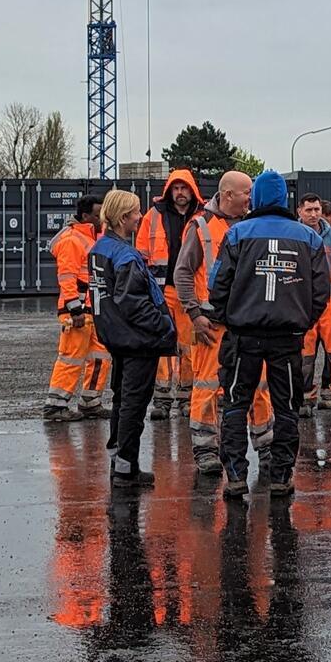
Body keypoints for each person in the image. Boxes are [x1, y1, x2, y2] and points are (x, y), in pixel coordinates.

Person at [208, 169, 330, 499]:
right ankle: (281, 477)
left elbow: (216, 284)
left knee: (235, 404)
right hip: (288, 337)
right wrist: (303, 320)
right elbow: (322, 291)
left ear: (258, 197)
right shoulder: (310, 238)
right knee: (287, 407)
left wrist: (229, 318)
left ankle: (235, 477)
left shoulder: (236, 234)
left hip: (243, 336)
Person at [174, 170, 272, 477]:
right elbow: (183, 272)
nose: (250, 199)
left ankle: (266, 443)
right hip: (213, 325)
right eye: (246, 193)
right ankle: (205, 449)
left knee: (258, 384)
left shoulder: (249, 225)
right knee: (208, 384)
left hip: (248, 322)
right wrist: (195, 314)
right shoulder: (201, 226)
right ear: (228, 195)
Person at [90, 190, 180, 489]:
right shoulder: (125, 255)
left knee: (121, 400)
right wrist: (165, 328)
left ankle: (121, 462)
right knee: (134, 404)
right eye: (135, 212)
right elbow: (134, 302)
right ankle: (126, 469)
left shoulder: (100, 249)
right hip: (138, 341)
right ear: (122, 217)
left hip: (116, 337)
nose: (140, 217)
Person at [136, 171, 203, 422]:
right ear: (168, 191)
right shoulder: (153, 216)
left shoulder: (202, 218)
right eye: (175, 188)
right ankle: (162, 399)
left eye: (184, 188)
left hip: (190, 292)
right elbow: (141, 255)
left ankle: (187, 397)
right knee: (163, 347)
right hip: (161, 292)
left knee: (189, 347)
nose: (180, 193)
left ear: (192, 190)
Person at [46, 194, 109, 421]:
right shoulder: (73, 240)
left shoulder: (92, 238)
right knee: (71, 357)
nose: (102, 218)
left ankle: (90, 401)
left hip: (92, 310)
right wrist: (75, 309)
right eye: (97, 214)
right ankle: (56, 405)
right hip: (79, 311)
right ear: (85, 217)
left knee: (100, 356)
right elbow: (67, 277)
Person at [297, 193, 331, 416]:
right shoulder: (294, 235)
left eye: (317, 209)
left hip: (330, 303)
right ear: (299, 211)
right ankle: (305, 398)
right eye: (308, 210)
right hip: (303, 304)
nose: (314, 214)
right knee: (305, 356)